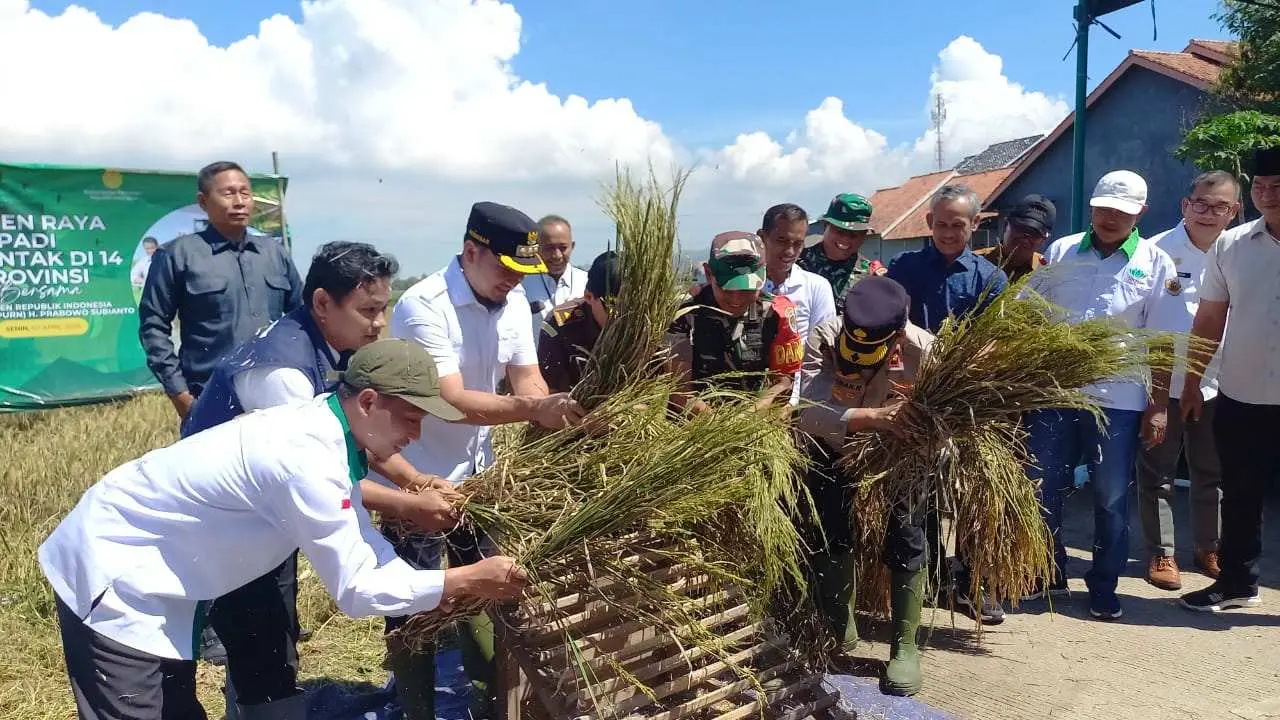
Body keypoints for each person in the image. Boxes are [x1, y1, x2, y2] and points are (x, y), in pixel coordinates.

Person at [38, 339, 530, 720]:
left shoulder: (327, 431)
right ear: (368, 401)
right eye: (410, 418)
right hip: (116, 572)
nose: (416, 434)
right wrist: (466, 581)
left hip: (160, 575)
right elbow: (357, 589)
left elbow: (361, 542)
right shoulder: (307, 458)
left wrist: (430, 571)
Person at [181, 242, 463, 717]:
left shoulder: (335, 348)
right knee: (259, 636)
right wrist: (409, 504)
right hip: (224, 525)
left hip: (265, 516)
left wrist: (416, 480)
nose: (378, 323)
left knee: (274, 630)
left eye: (383, 309)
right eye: (367, 310)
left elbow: (355, 435)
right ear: (321, 303)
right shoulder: (284, 373)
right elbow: (317, 477)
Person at [384, 201, 587, 718]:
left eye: (523, 274)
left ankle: (490, 704)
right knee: (414, 603)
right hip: (416, 476)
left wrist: (552, 408)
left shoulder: (512, 301)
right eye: (505, 270)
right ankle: (417, 709)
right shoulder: (424, 306)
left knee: (487, 591)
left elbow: (527, 378)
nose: (514, 283)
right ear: (471, 251)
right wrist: (532, 409)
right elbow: (449, 401)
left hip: (480, 476)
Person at [1023, 170, 1176, 620]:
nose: (1110, 218)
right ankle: (1045, 571)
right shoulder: (1062, 250)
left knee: (1110, 496)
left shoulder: (1155, 263)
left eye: (1122, 212)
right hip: (1056, 392)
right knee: (1043, 487)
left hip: (1121, 399)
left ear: (1140, 214)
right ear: (1091, 206)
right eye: (1104, 208)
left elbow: (1163, 340)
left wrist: (1159, 405)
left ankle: (1104, 584)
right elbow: (1035, 313)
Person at [797, 276, 931, 696]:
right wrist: (873, 419)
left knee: (907, 536)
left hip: (901, 457)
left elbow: (946, 427)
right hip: (834, 447)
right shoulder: (824, 336)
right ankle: (840, 624)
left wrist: (914, 434)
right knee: (830, 528)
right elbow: (808, 411)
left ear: (896, 336)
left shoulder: (925, 351)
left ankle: (904, 646)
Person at [886, 183, 1009, 624]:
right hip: (915, 397)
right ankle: (932, 579)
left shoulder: (990, 278)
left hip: (969, 402)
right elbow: (891, 324)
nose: (948, 232)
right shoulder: (906, 267)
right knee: (921, 495)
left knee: (976, 495)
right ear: (928, 224)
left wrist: (963, 371)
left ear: (975, 225)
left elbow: (993, 340)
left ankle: (976, 582)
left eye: (958, 225)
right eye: (941, 224)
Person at [1179, 148, 1280, 613]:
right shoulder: (1231, 244)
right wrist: (1192, 382)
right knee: (1240, 493)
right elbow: (1209, 320)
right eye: (1261, 186)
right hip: (1243, 393)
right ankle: (1238, 581)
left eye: (1277, 187)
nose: (1267, 195)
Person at [1137, 171, 1240, 592]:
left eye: (1221, 207)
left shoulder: (1240, 251)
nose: (1209, 214)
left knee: (1211, 471)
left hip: (1221, 381)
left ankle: (1208, 547)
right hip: (1164, 382)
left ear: (1234, 212)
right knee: (1157, 471)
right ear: (1185, 205)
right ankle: (1162, 552)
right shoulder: (1156, 251)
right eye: (1201, 203)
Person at [138, 160, 303, 423]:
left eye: (245, 192)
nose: (239, 201)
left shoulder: (274, 252)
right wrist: (180, 394)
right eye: (228, 193)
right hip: (209, 395)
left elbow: (302, 318)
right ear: (203, 202)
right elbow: (153, 327)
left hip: (274, 394)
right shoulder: (177, 255)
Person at [664, 231, 804, 412]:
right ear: (708, 274)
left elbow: (784, 382)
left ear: (764, 275)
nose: (736, 298)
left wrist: (753, 413)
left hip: (754, 418)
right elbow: (680, 391)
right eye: (727, 288)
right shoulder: (685, 316)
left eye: (747, 289)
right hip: (694, 422)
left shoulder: (777, 313)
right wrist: (720, 426)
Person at [538, 250, 622, 393]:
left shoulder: (647, 325)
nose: (623, 316)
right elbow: (550, 392)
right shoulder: (560, 324)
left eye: (631, 308)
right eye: (613, 308)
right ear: (589, 297)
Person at [760, 203, 838, 343]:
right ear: (762, 237)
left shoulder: (816, 287)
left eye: (797, 244)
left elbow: (822, 346)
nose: (790, 251)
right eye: (781, 241)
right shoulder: (747, 286)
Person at [797, 193, 884, 313]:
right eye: (840, 231)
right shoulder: (797, 264)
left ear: (864, 235)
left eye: (854, 234)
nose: (846, 239)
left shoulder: (871, 276)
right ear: (825, 226)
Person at [521, 214, 588, 345]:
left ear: (572, 246)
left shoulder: (587, 283)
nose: (556, 255)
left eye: (563, 248)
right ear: (536, 248)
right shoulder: (521, 285)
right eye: (549, 248)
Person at [973, 194, 1057, 281]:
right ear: (1006, 225)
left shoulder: (1047, 273)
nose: (1025, 236)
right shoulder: (973, 264)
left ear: (1044, 239)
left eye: (1034, 233)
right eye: (1021, 228)